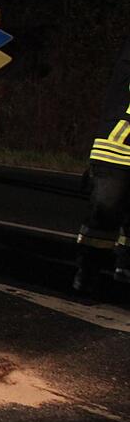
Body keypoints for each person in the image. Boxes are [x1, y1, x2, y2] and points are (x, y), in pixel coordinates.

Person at [73, 37, 130, 294]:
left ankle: (123, 267)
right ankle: (87, 276)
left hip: (115, 151)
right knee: (102, 221)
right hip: (115, 152)